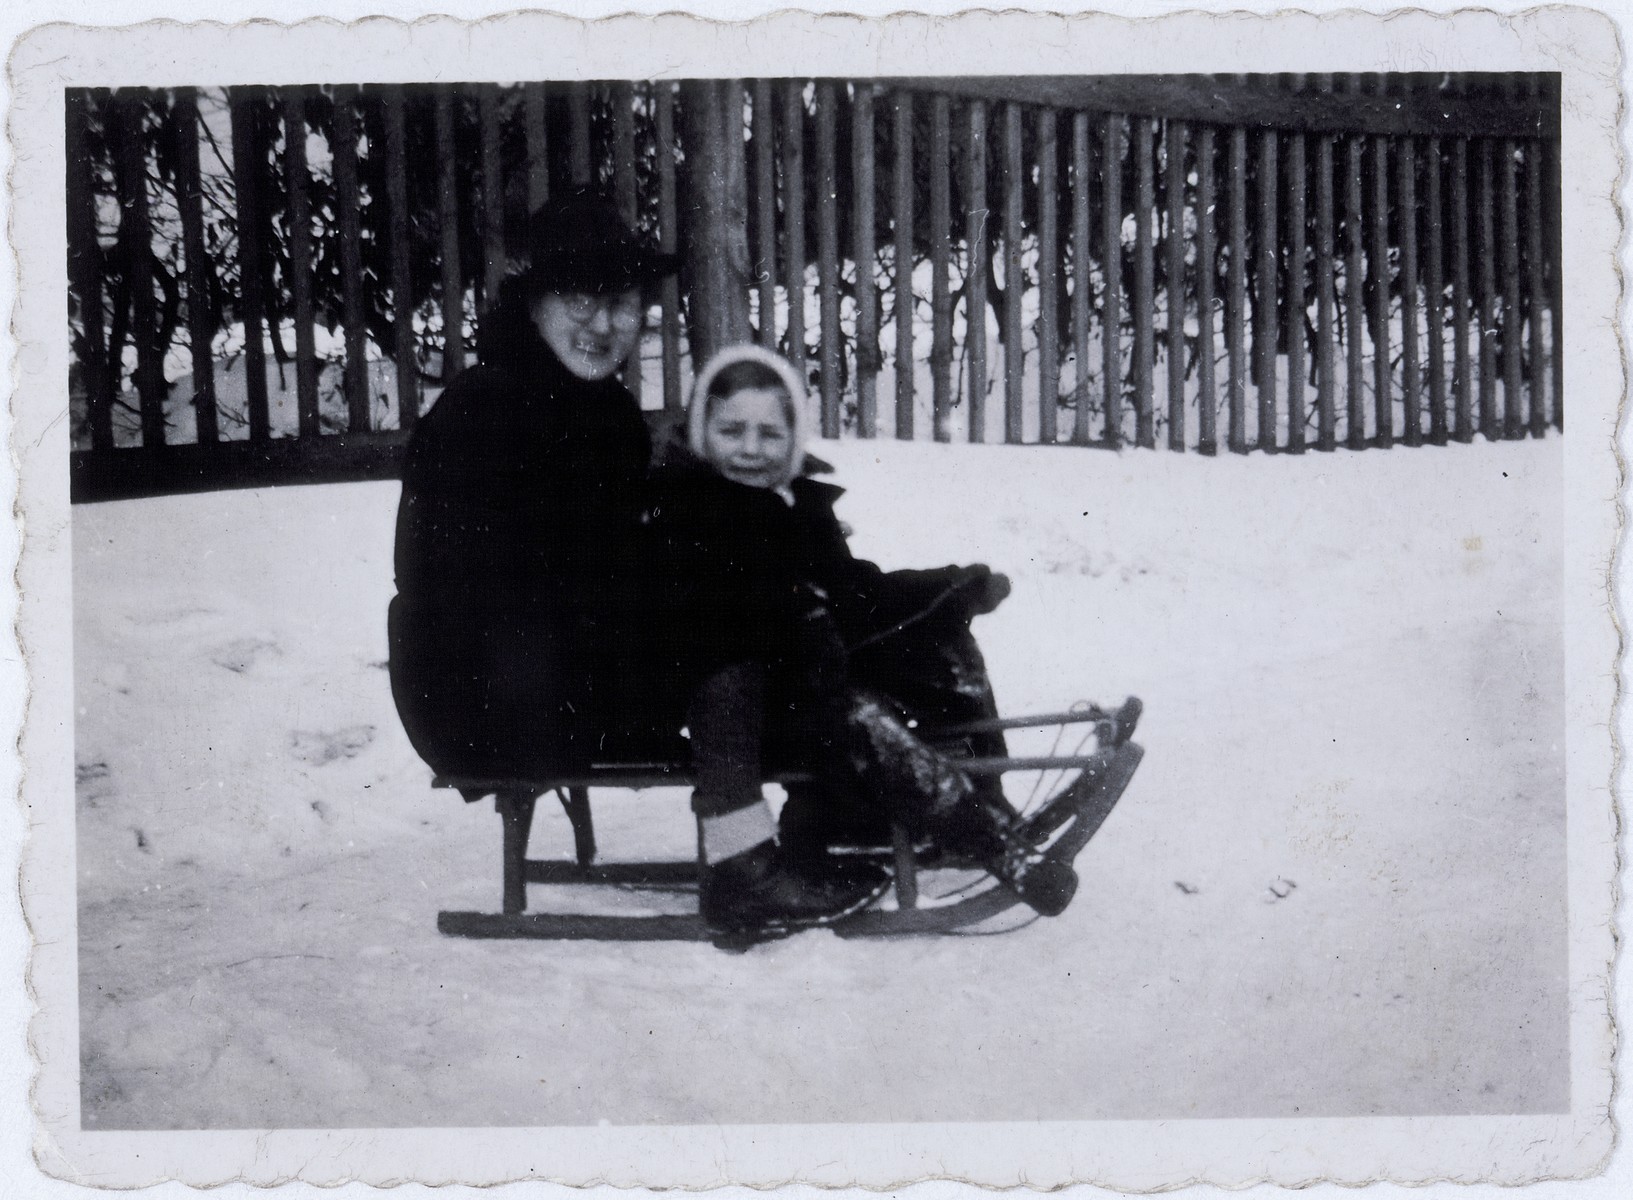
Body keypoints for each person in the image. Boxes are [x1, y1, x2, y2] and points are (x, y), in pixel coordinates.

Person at [387, 190, 887, 936]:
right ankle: (741, 863)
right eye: (578, 301)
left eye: (621, 303)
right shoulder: (488, 409)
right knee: (725, 604)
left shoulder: (592, 406)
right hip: (484, 686)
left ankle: (848, 807)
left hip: (541, 661)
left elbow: (614, 535)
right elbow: (525, 574)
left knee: (742, 568)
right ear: (533, 303)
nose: (603, 324)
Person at [647, 343, 1080, 918]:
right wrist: (804, 617)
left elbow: (855, 592)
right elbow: (723, 621)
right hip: (742, 716)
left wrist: (946, 589)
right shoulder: (691, 514)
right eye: (731, 431)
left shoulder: (795, 507)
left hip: (805, 685)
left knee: (944, 640)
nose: (750, 449)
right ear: (704, 432)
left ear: (794, 438)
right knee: (861, 715)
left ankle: (987, 794)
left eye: (770, 434)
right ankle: (983, 837)